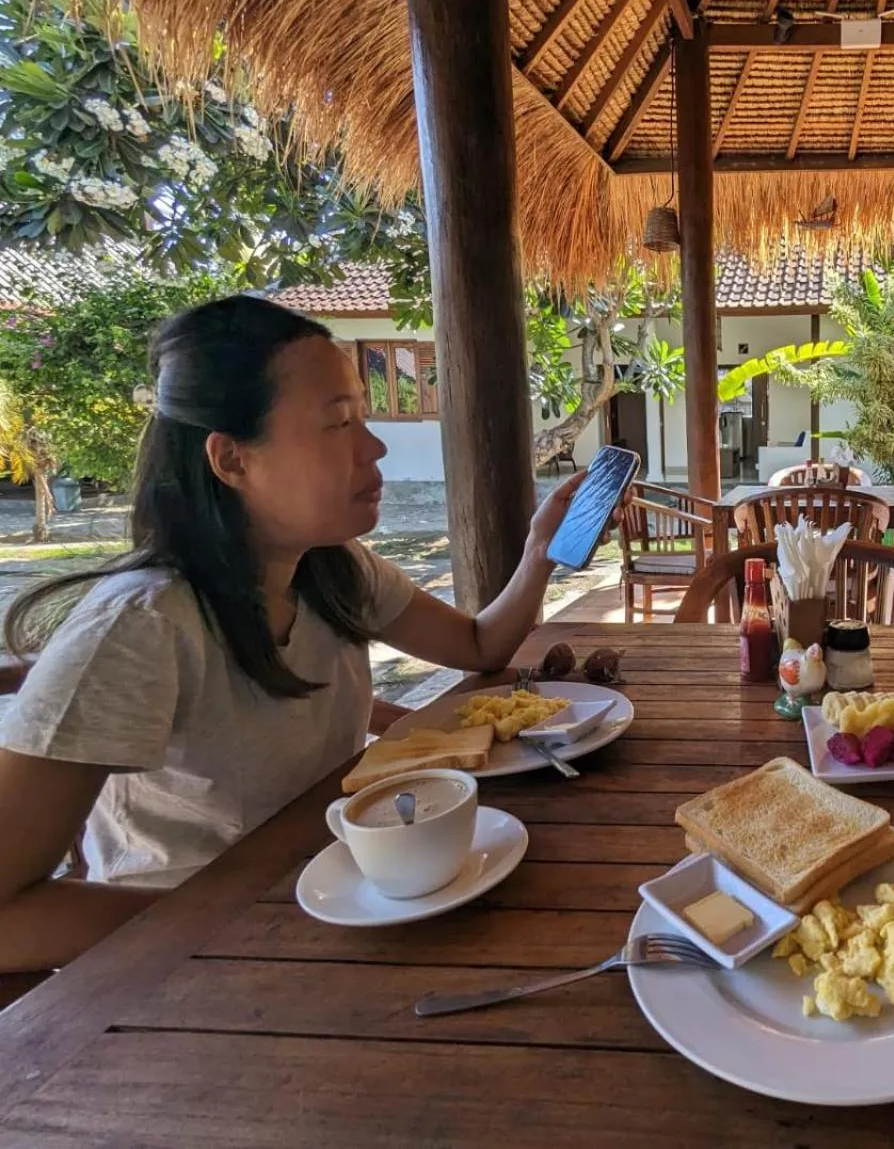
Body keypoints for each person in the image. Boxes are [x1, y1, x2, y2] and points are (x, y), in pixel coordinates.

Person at [0, 296, 583, 975]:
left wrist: (542, 548)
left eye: (361, 415)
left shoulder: (332, 571)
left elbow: (478, 648)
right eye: (339, 422)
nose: (374, 445)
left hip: (341, 904)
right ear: (231, 459)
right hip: (188, 973)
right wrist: (225, 921)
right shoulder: (141, 627)